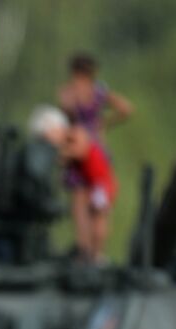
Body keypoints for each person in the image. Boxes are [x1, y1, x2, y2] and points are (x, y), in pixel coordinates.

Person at [56, 54, 132, 259]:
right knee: (100, 207)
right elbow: (126, 109)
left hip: (77, 154)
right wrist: (105, 123)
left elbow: (65, 118)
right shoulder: (99, 92)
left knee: (80, 205)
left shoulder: (68, 93)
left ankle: (85, 251)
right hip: (98, 153)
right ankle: (98, 253)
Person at [29, 105, 115, 263]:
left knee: (99, 217)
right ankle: (87, 252)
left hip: (100, 183)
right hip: (92, 182)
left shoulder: (77, 133)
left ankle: (98, 254)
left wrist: (61, 154)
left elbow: (81, 151)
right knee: (87, 216)